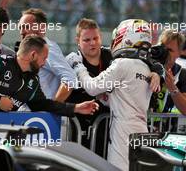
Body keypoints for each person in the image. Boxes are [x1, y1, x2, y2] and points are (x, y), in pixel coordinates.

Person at [67, 19, 163, 171]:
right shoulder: (145, 67)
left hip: (122, 133)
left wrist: (78, 67)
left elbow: (92, 88)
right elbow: (117, 97)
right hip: (140, 130)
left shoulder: (122, 64)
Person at [0, 35, 98, 116]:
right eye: (44, 58)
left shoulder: (32, 80)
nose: (44, 64)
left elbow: (43, 104)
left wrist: (75, 108)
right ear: (33, 55)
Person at [66, 18, 111, 153]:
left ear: (101, 38)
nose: (92, 43)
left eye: (95, 38)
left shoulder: (112, 57)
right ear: (77, 41)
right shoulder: (72, 62)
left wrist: (156, 73)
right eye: (86, 40)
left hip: (107, 132)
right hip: (77, 130)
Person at [18, 8, 76, 104]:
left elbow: (70, 78)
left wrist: (53, 108)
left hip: (42, 116)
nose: (22, 32)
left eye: (26, 27)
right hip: (30, 114)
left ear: (42, 28)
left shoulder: (48, 49)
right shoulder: (33, 49)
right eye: (20, 28)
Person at [152, 29, 186, 115]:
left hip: (164, 127)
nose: (165, 52)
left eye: (170, 50)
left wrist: (172, 87)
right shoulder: (147, 66)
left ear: (179, 53)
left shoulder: (182, 74)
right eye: (162, 47)